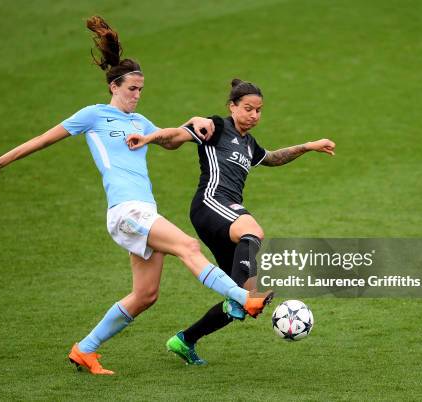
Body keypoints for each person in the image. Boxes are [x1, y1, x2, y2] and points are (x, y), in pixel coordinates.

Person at [0, 18, 273, 375]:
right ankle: (244, 298)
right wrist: (1, 161)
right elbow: (43, 139)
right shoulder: (93, 115)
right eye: (132, 89)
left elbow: (169, 138)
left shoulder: (141, 122)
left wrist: (194, 121)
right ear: (114, 86)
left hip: (143, 211)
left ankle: (84, 350)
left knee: (146, 295)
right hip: (125, 211)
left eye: (141, 90)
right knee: (188, 247)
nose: (137, 95)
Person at [127, 78, 335, 365]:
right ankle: (237, 298)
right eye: (248, 108)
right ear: (232, 106)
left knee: (247, 294)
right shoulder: (216, 127)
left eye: (259, 110)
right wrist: (149, 138)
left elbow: (273, 158)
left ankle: (185, 340)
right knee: (253, 231)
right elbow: (178, 135)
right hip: (210, 203)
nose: (254, 115)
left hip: (225, 213)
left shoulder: (249, 145)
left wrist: (308, 146)